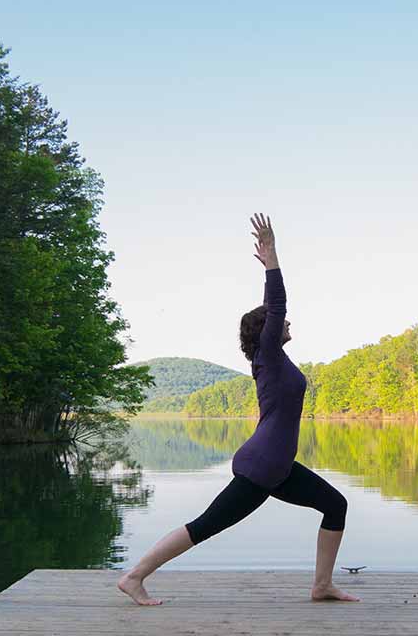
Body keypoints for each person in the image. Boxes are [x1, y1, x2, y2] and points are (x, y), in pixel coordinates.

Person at [118, 213, 359, 606]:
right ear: (266, 331)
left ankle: (322, 585)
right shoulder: (269, 355)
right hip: (262, 467)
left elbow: (274, 310)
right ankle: (134, 576)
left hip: (276, 467)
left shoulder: (273, 360)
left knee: (335, 505)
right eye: (278, 322)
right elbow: (276, 305)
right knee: (206, 525)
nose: (286, 322)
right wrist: (273, 260)